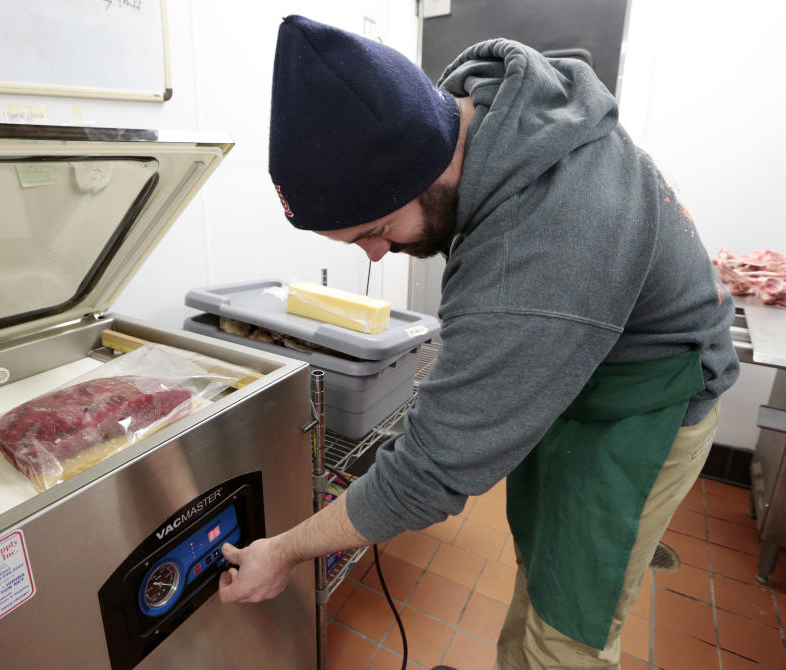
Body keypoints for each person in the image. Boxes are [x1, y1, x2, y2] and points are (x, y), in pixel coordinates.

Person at [219, 15, 740, 670]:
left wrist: (285, 549)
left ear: (420, 166)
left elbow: (430, 475)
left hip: (645, 405)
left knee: (571, 622)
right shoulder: (491, 117)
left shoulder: (540, 243)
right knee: (543, 570)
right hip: (585, 374)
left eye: (373, 230)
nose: (378, 252)